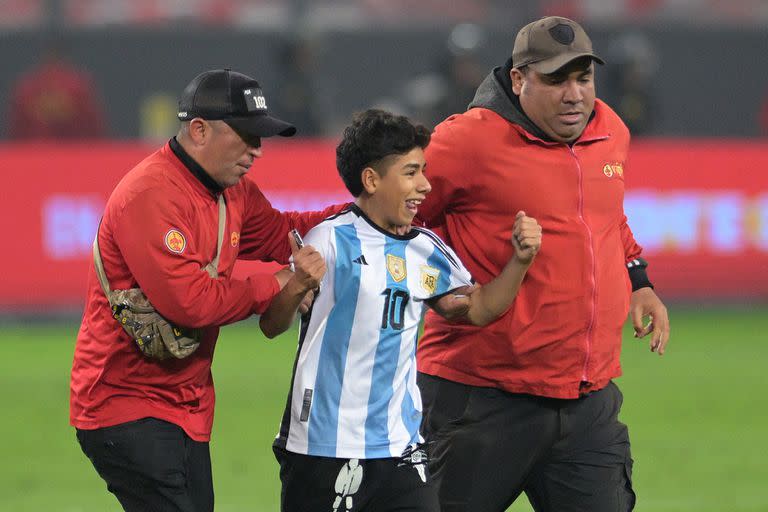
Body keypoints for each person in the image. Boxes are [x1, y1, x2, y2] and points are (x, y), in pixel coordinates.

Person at [414, 16, 671, 512]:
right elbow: (397, 219)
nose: (574, 94)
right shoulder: (465, 141)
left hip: (587, 401)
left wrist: (638, 278)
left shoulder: (610, 131)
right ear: (517, 79)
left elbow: (606, 217)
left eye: (584, 77)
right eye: (556, 79)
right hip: (480, 399)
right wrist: (436, 287)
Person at [70, 68, 342, 512]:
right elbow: (190, 303)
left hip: (186, 406)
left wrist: (358, 217)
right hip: (124, 405)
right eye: (247, 136)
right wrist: (277, 284)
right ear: (199, 130)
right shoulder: (150, 194)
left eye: (261, 138)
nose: (257, 149)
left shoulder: (232, 191)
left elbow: (285, 233)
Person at [260, 109, 542, 512]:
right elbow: (272, 325)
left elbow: (476, 309)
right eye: (411, 173)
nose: (425, 185)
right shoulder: (330, 239)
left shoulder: (424, 248)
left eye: (424, 170)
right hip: (324, 444)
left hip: (401, 446)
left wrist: (519, 262)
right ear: (372, 180)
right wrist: (297, 286)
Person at [7, 43, 106, 139]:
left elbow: (91, 126)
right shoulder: (29, 87)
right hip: (39, 149)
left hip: (68, 150)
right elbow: (18, 127)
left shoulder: (78, 87)